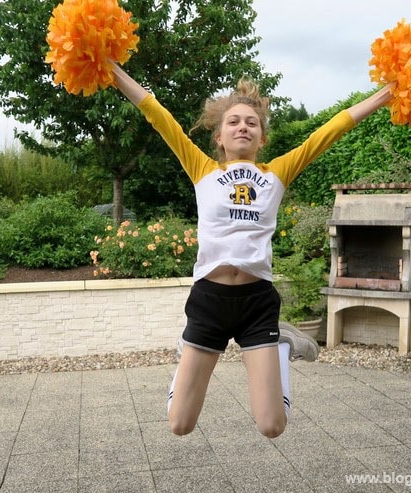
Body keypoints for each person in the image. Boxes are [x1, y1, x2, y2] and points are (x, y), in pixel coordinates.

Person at [111, 62, 393, 438]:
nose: (243, 126)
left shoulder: (276, 173)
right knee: (180, 425)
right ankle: (189, 356)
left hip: (257, 302)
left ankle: (280, 347)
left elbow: (332, 129)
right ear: (220, 138)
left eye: (251, 123)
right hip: (209, 301)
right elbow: (156, 113)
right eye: (233, 122)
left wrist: (387, 94)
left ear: (261, 139)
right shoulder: (202, 169)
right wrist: (112, 72)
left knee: (272, 426)